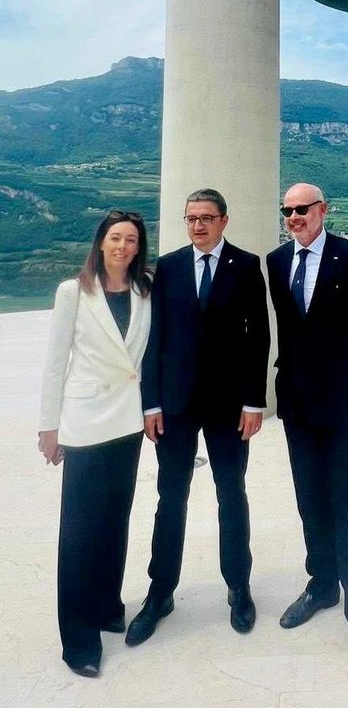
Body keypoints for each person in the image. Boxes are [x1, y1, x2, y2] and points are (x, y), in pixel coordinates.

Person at [126, 188, 270, 646]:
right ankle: (160, 593)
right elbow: (154, 338)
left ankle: (238, 587)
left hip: (230, 407)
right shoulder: (168, 268)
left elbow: (258, 338)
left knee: (232, 494)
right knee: (171, 498)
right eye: (191, 218)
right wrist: (151, 403)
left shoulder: (246, 266)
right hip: (175, 405)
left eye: (207, 218)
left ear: (224, 220)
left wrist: (254, 402)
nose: (198, 226)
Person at [266, 182, 348, 689]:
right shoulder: (276, 262)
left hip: (344, 399)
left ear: (322, 210)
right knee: (311, 501)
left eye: (302, 209)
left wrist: (332, 364)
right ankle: (321, 585)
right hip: (297, 404)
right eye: (287, 210)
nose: (294, 217)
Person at [39, 209, 152, 678]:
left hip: (127, 423)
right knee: (80, 533)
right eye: (115, 238)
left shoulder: (146, 290)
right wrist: (49, 427)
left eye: (131, 240)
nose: (123, 246)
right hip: (84, 422)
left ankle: (107, 605)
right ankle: (79, 640)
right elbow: (55, 361)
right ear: (101, 243)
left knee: (113, 521)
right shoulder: (74, 291)